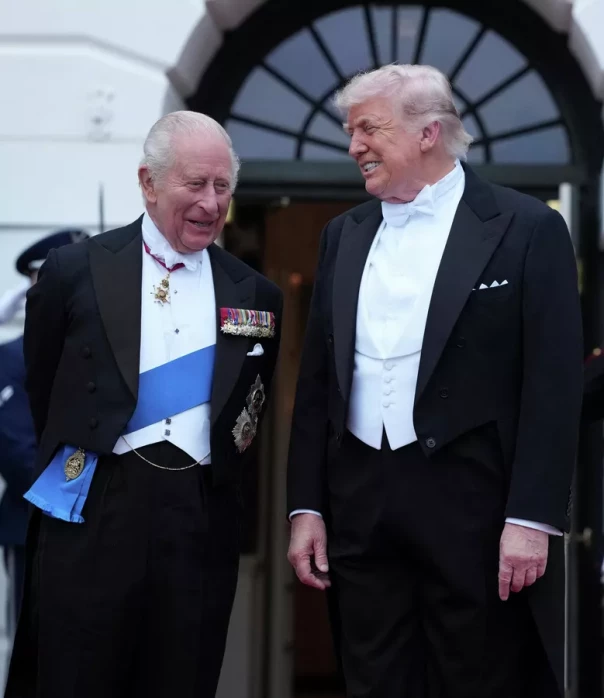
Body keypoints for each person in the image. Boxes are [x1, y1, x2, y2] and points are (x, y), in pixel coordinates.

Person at [286, 64, 582, 698]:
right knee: (372, 677)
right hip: (360, 503)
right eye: (350, 131)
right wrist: (306, 506)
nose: (353, 146)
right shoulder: (343, 234)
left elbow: (553, 385)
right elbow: (316, 382)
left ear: (428, 132)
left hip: (476, 510)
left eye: (369, 128)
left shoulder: (528, 227)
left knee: (478, 679)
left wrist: (531, 517)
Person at [5, 111, 283, 698]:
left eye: (223, 186)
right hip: (94, 506)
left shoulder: (256, 293)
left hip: (198, 517)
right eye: (195, 184)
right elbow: (42, 385)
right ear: (148, 182)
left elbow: (247, 414)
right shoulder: (74, 270)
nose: (211, 203)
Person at [0, 229, 89, 640]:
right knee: (35, 643)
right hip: (35, 522)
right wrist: (76, 494)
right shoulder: (11, 358)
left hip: (100, 525)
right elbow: (16, 450)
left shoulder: (104, 353)